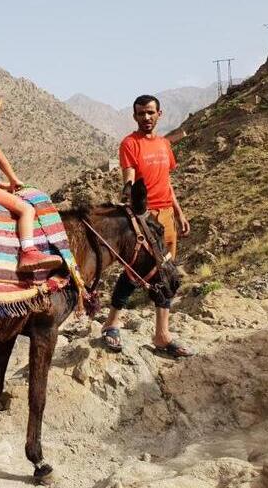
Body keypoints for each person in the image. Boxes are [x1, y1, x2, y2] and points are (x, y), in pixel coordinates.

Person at [101, 94, 194, 357]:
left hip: (166, 214)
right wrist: (127, 189)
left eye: (150, 113)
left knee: (166, 273)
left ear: (159, 114)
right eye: (141, 114)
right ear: (135, 116)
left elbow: (166, 182)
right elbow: (129, 174)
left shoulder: (165, 145)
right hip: (144, 218)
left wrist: (179, 212)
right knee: (134, 271)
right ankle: (111, 323)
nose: (146, 118)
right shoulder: (130, 143)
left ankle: (162, 335)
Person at [0, 86, 63, 272]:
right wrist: (14, 179)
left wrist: (4, 185)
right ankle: (28, 252)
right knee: (26, 209)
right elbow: (0, 157)